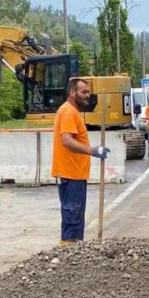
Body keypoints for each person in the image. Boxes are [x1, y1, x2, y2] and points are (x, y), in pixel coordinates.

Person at [52, 78, 110, 244]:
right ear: (72, 92)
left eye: (88, 92)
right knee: (72, 218)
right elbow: (67, 141)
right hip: (71, 174)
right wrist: (92, 151)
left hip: (73, 173)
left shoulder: (70, 111)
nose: (87, 96)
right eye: (83, 92)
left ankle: (73, 254)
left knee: (74, 218)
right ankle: (69, 255)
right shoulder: (69, 112)